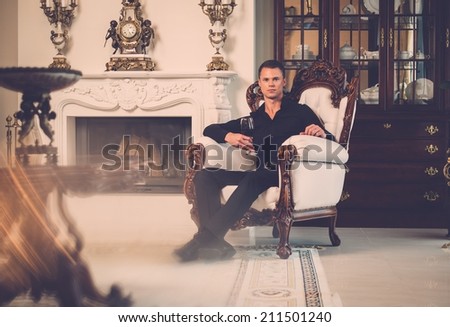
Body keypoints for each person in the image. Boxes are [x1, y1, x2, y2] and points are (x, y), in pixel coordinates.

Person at [174, 59, 334, 262]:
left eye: (276, 79)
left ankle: (201, 241)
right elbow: (210, 129)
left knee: (254, 177)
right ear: (260, 83)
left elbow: (332, 140)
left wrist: (320, 132)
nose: (271, 83)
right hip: (259, 172)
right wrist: (229, 136)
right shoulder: (253, 120)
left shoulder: (300, 112)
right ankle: (215, 243)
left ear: (284, 81)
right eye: (266, 79)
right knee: (205, 175)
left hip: (285, 175)